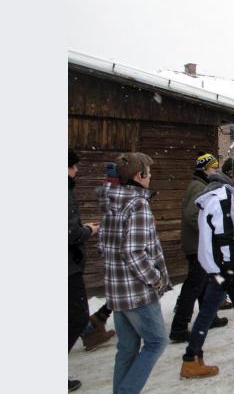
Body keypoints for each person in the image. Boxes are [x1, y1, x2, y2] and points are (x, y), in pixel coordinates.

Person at [96, 152, 171, 394]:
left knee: (127, 348)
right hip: (137, 292)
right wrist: (156, 278)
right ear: (140, 176)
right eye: (149, 173)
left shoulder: (111, 200)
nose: (151, 177)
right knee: (157, 342)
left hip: (117, 290)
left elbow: (104, 245)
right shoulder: (137, 204)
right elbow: (133, 253)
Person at [179, 158, 234, 379]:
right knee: (209, 309)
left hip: (220, 263)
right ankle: (190, 358)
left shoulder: (224, 193)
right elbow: (223, 234)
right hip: (223, 264)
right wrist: (227, 265)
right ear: (232, 174)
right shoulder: (222, 195)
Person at [170, 153, 228, 343]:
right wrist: (211, 230)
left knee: (203, 283)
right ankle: (179, 327)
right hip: (197, 245)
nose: (216, 171)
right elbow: (192, 215)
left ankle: (209, 318)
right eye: (213, 168)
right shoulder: (198, 187)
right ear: (204, 169)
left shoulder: (200, 185)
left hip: (198, 244)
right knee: (194, 285)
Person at [68, 149, 109, 392]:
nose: (76, 172)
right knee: (77, 315)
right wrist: (87, 232)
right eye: (72, 167)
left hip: (69, 264)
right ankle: (91, 328)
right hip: (68, 265)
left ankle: (92, 330)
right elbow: (69, 233)